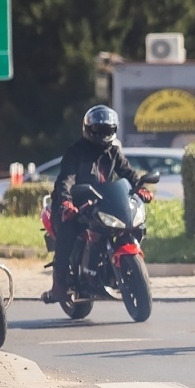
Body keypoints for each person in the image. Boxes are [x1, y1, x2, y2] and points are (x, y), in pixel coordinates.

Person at [39, 105, 148, 306]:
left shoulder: (113, 151)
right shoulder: (76, 151)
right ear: (89, 129)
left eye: (108, 130)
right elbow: (66, 179)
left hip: (101, 201)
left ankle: (109, 268)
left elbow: (128, 173)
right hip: (73, 204)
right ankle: (59, 285)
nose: (103, 135)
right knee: (68, 233)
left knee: (132, 223)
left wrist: (140, 187)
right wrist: (65, 202)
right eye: (99, 130)